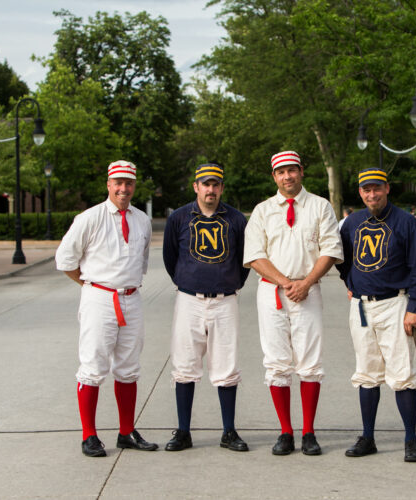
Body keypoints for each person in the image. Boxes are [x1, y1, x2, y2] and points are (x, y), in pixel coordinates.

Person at [243, 150, 343, 456]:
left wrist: (306, 282)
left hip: (308, 290)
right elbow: (254, 255)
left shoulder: (320, 206)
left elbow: (330, 248)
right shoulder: (263, 210)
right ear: (274, 176)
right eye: (281, 172)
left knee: (310, 362)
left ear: (302, 172)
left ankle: (309, 431)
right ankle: (285, 431)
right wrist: (285, 283)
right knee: (276, 362)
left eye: (292, 170)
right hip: (273, 292)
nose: (288, 176)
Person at [56, 160, 158, 457]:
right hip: (99, 296)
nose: (123, 189)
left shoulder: (142, 220)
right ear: (108, 184)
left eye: (129, 183)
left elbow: (142, 260)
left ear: (134, 186)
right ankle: (89, 435)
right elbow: (65, 261)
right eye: (118, 183)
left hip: (131, 297)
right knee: (93, 366)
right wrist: (91, 287)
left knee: (128, 367)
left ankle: (126, 431)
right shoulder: (89, 218)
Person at [336, 168, 416, 461]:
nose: (371, 194)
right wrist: (350, 283)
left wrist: (414, 307)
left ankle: (411, 439)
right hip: (362, 307)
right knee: (366, 372)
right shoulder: (351, 223)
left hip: (395, 304)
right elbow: (342, 259)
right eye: (366, 190)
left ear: (387, 189)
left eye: (377, 189)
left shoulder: (406, 223)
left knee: (401, 373)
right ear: (361, 192)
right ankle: (368, 437)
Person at [162, 163, 251, 453]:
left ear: (221, 188)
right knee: (185, 364)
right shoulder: (179, 217)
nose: (210, 190)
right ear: (195, 187)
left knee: (226, 364)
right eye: (205, 184)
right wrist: (186, 281)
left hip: (225, 299)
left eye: (215, 184)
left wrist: (230, 283)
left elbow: (244, 259)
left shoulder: (236, 219)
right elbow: (170, 257)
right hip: (189, 299)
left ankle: (228, 431)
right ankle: (183, 431)